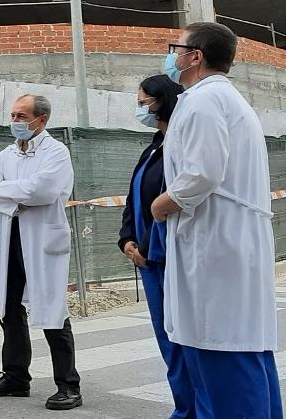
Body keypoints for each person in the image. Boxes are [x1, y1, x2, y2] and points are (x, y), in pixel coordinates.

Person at [150, 22, 281, 419]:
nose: (172, 57)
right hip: (229, 243)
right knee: (244, 351)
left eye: (177, 49)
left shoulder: (202, 101)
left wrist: (161, 205)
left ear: (196, 56)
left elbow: (202, 173)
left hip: (215, 246)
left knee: (222, 354)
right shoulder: (225, 99)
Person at [0, 94, 82, 410]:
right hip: (11, 236)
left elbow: (45, 190)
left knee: (52, 310)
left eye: (21, 116)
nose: (15, 122)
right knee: (9, 308)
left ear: (41, 120)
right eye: (13, 115)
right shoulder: (6, 154)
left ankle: (68, 385)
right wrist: (19, 197)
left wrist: (9, 193)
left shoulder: (57, 152)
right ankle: (15, 377)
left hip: (42, 239)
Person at [116, 74, 191, 419]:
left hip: (165, 256)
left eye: (143, 102)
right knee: (167, 339)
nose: (140, 109)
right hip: (147, 258)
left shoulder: (178, 144)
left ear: (162, 100)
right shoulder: (154, 146)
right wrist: (126, 240)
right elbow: (135, 198)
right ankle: (185, 406)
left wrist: (145, 248)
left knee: (182, 339)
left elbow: (168, 201)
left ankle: (191, 409)